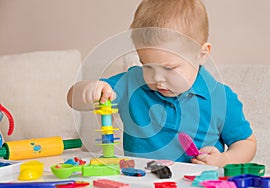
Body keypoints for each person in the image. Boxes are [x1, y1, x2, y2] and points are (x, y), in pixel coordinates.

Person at [67, 0, 256, 167]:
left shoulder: (220, 98)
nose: (156, 78)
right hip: (140, 185)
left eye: (169, 68)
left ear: (202, 54)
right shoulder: (132, 83)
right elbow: (72, 99)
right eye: (147, 66)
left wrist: (224, 160)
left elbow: (246, 143)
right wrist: (89, 90)